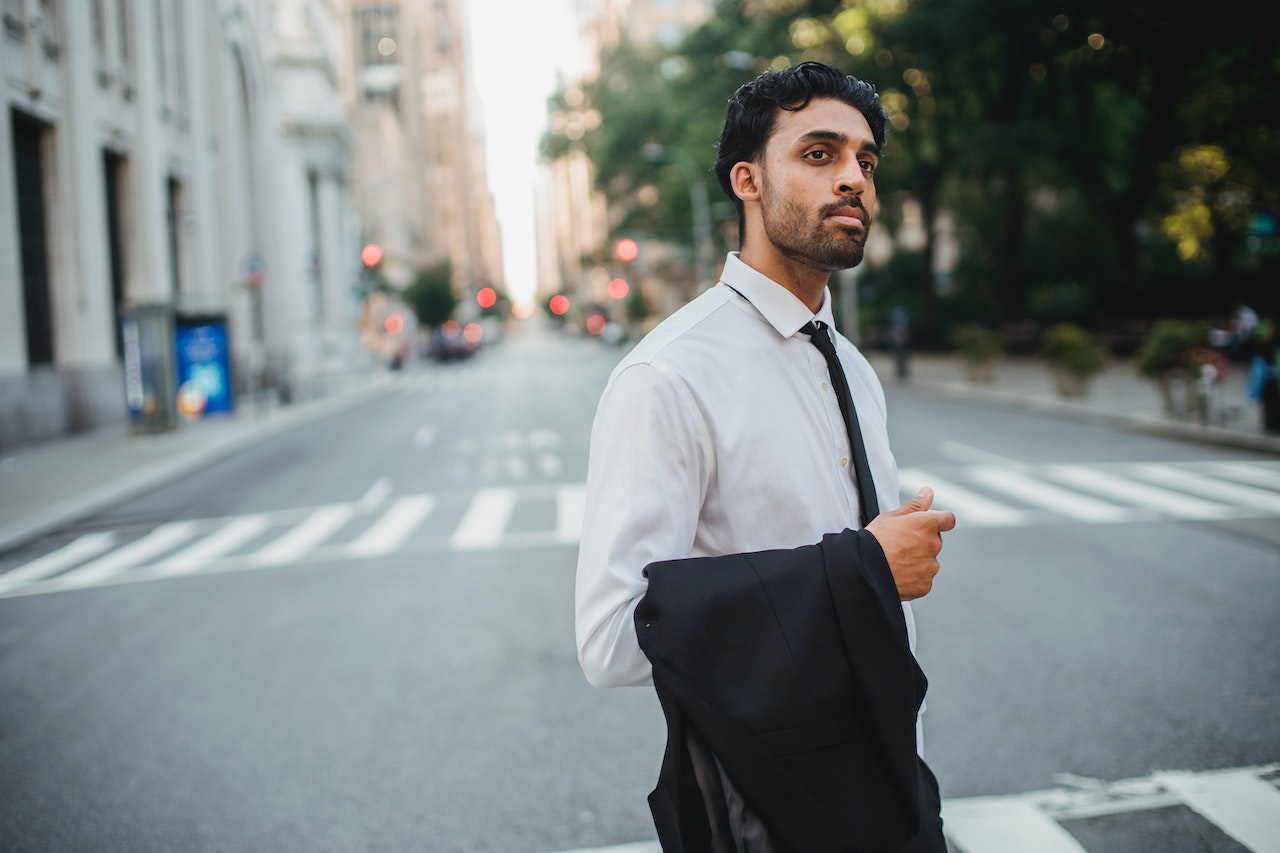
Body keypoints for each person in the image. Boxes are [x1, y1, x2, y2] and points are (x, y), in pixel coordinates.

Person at [575, 61, 955, 852]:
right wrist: (861, 569)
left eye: (865, 160)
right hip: (769, 814)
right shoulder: (668, 375)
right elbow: (613, 638)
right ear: (748, 181)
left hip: (893, 785)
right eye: (819, 154)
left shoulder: (849, 362)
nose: (853, 178)